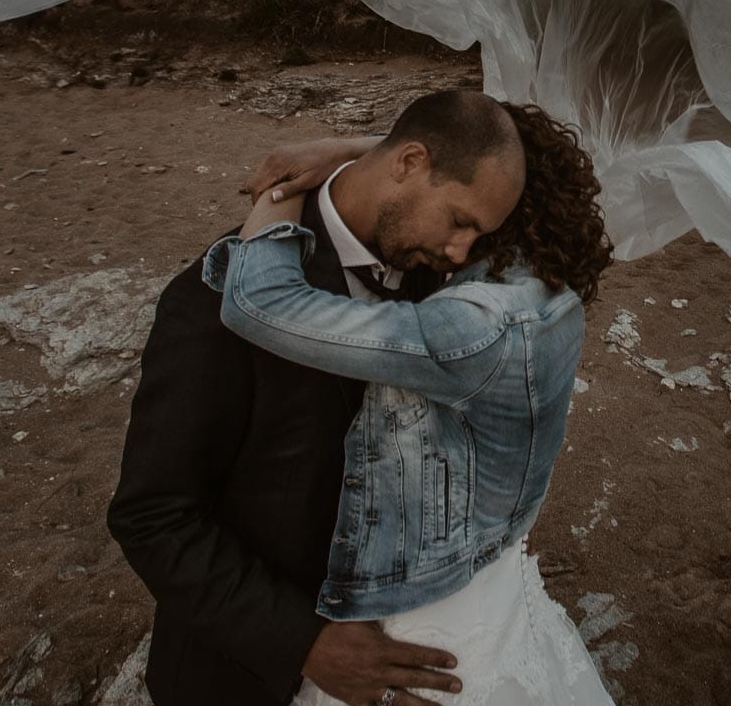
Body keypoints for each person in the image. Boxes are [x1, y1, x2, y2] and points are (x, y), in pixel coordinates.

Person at [108, 90, 529, 706]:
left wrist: (349, 149)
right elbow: (152, 516)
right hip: (247, 674)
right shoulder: (210, 302)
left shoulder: (431, 274)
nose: (461, 254)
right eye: (460, 221)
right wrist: (303, 642)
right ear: (409, 163)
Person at [213, 97, 615, 706]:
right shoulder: (546, 281)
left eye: (472, 227)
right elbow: (453, 153)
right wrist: (353, 150)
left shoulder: (475, 329)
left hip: (426, 605)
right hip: (493, 573)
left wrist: (280, 188)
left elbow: (257, 299)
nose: (456, 250)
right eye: (459, 219)